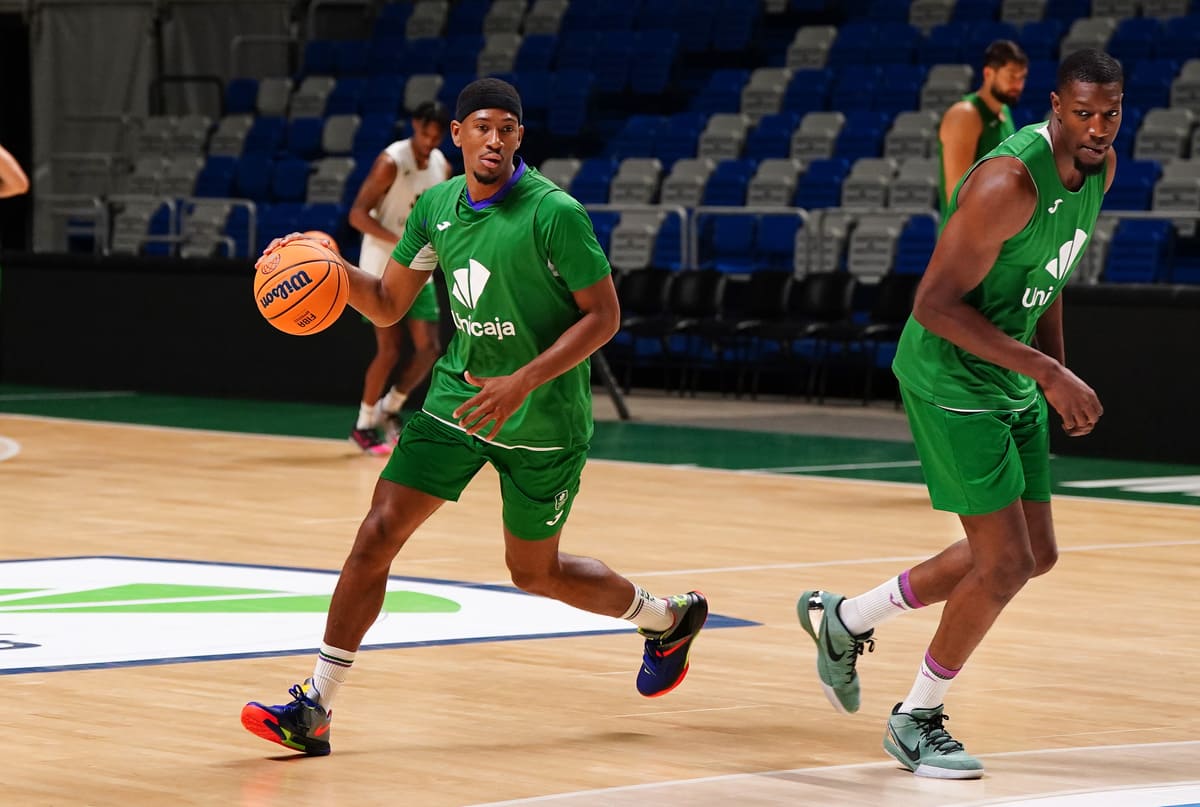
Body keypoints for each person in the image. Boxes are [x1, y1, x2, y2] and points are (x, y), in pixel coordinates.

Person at [241, 78, 708, 756]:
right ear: (456, 136)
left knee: (534, 572)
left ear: (520, 138)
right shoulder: (433, 207)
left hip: (542, 418)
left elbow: (604, 317)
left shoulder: (554, 213)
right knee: (376, 534)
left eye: (508, 128)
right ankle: (315, 705)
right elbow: (389, 303)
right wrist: (326, 268)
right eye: (482, 126)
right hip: (458, 402)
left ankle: (667, 619)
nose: (494, 138)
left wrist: (523, 380)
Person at [796, 48, 1121, 779]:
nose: (1098, 128)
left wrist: (1052, 370)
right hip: (949, 374)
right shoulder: (1007, 181)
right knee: (1002, 562)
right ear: (1054, 106)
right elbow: (932, 306)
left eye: (1111, 113)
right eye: (1084, 114)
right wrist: (1046, 369)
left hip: (1009, 371)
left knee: (1032, 554)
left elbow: (1052, 271)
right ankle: (916, 717)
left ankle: (846, 620)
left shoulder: (1099, 166)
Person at [346, 100, 453, 455]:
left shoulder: (442, 165)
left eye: (436, 137)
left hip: (419, 266)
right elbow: (357, 215)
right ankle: (363, 425)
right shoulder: (390, 162)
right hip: (381, 265)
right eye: (425, 134)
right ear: (415, 127)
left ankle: (389, 410)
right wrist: (403, 243)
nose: (430, 142)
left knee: (429, 349)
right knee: (389, 350)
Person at [937, 39, 1028, 220]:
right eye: (1011, 76)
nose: (1018, 85)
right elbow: (957, 194)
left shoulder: (1004, 111)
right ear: (988, 73)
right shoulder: (965, 115)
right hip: (968, 236)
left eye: (1022, 77)